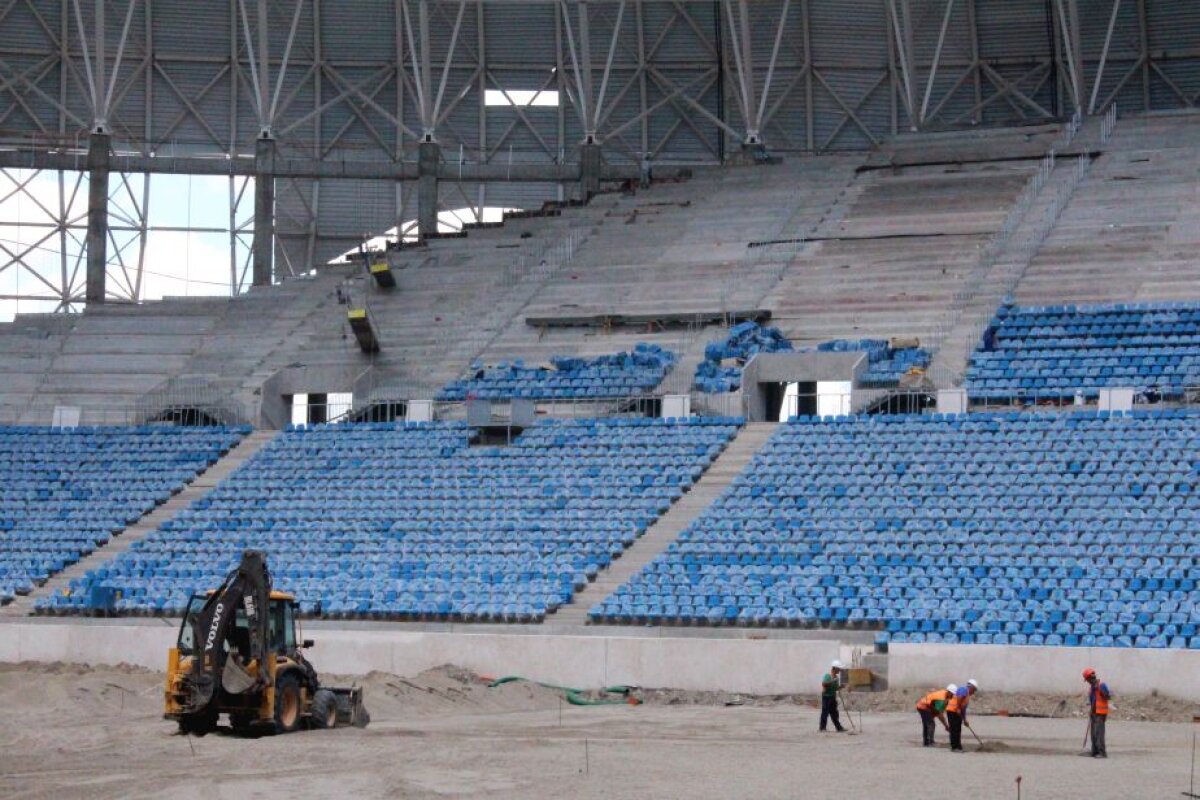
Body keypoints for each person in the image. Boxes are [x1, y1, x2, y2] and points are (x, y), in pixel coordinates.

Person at [946, 679, 979, 752]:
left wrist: (965, 720)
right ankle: (954, 747)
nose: (974, 692)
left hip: (956, 711)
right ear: (971, 687)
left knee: (958, 729)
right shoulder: (964, 689)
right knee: (954, 729)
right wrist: (957, 708)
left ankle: (958, 746)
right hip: (952, 710)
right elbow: (959, 698)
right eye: (974, 690)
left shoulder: (967, 695)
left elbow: (963, 709)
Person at [1084, 668, 1111, 758]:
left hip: (1100, 713)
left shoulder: (1101, 685)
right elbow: (1092, 701)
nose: (1087, 682)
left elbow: (1108, 696)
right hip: (1094, 713)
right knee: (1093, 734)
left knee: (1099, 733)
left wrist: (1099, 689)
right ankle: (1094, 751)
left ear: (1089, 678)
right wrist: (1091, 711)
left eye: (1087, 680)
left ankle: (1102, 753)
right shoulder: (1091, 688)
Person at [819, 660, 845, 732]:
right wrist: (832, 681)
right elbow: (824, 684)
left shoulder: (836, 678)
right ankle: (822, 728)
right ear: (834, 668)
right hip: (826, 697)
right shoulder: (828, 676)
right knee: (825, 713)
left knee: (834, 713)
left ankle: (838, 727)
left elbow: (835, 688)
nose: (839, 670)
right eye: (838, 669)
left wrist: (841, 687)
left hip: (832, 697)